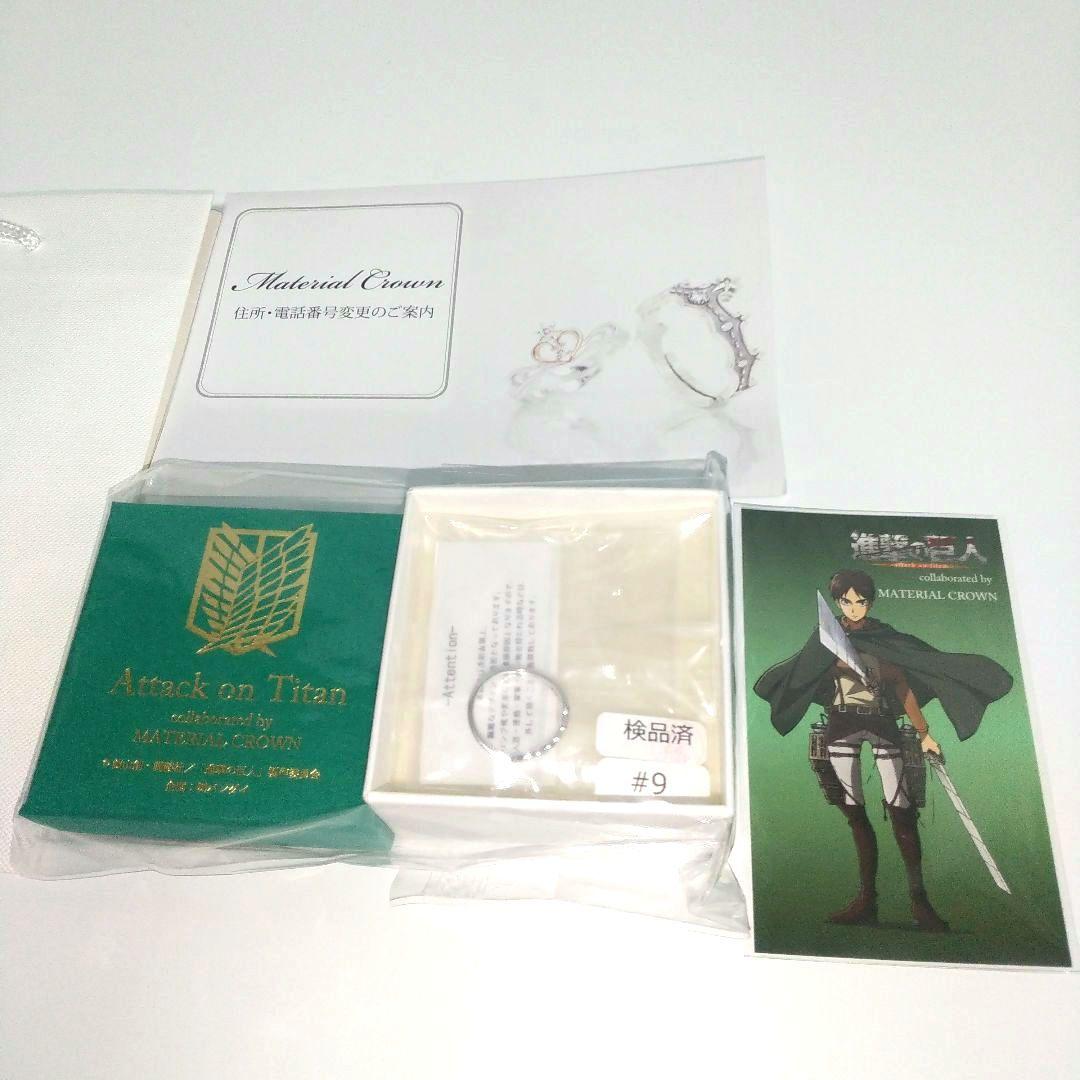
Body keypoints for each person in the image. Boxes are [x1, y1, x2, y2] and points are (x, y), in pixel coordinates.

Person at [753, 569, 1013, 932]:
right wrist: (832, 665)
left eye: (861, 601)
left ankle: (920, 902)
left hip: (882, 723)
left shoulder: (884, 638)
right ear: (838, 602)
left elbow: (903, 688)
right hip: (841, 724)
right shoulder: (826, 638)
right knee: (854, 811)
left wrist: (924, 733)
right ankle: (866, 901)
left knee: (901, 810)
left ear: (870, 602)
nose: (854, 607)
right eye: (846, 601)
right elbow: (806, 674)